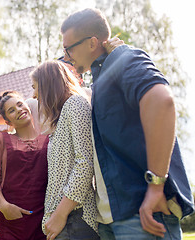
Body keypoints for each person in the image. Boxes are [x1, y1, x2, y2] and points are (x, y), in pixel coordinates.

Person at [61, 8, 194, 239]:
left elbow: (162, 102)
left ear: (92, 43)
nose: (66, 55)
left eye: (69, 48)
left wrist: (156, 185)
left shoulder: (124, 58)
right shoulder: (101, 79)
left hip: (142, 213)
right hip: (112, 219)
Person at [30, 60, 99, 240]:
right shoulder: (60, 119)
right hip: (64, 220)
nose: (34, 95)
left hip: (75, 217)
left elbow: (85, 163)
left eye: (35, 87)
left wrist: (60, 214)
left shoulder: (75, 104)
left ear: (48, 86)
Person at [0, 91, 48, 240]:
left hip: (45, 220)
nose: (19, 110)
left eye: (20, 105)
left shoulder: (49, 139)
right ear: (8, 121)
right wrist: (4, 206)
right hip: (11, 222)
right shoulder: (0, 139)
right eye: (11, 110)